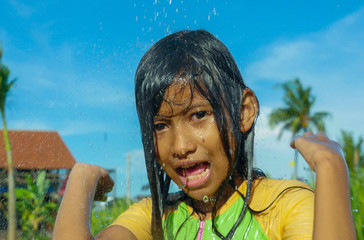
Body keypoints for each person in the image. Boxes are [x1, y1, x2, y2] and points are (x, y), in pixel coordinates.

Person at [53, 30, 356, 240]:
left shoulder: (282, 206)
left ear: (244, 112)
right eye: (160, 126)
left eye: (199, 115)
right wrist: (82, 177)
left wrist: (331, 166)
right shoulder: (154, 218)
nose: (181, 147)